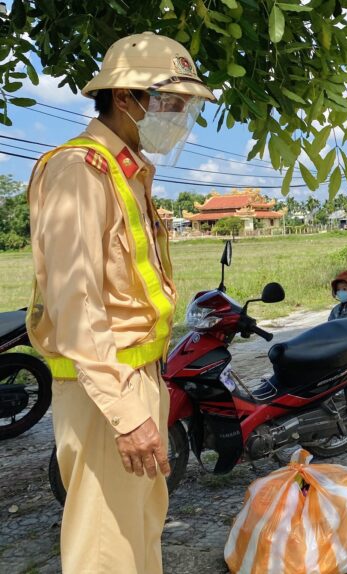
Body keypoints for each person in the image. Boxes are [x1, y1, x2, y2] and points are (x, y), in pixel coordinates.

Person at [26, 32, 215, 573]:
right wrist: (127, 416)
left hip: (138, 381)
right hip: (105, 394)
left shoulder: (126, 172)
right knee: (106, 552)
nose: (181, 115)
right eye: (173, 102)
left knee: (138, 535)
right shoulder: (79, 171)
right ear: (127, 97)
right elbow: (76, 305)